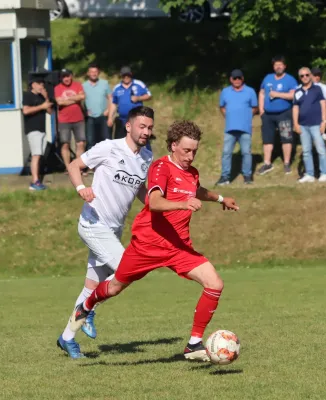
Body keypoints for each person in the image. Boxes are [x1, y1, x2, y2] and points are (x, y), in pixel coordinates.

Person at [69, 120, 239, 362]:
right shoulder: (161, 167)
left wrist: (221, 198)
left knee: (215, 284)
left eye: (194, 151)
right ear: (173, 146)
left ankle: (193, 344)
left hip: (178, 246)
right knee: (116, 286)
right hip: (148, 244)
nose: (190, 156)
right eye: (186, 151)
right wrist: (182, 204)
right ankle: (86, 305)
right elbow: (155, 202)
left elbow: (196, 190)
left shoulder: (191, 172)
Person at [57, 106, 154, 359]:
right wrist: (81, 188)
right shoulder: (109, 147)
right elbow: (73, 166)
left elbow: (140, 189)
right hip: (93, 223)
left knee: (92, 286)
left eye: (150, 127)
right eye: (142, 126)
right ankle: (89, 312)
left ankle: (67, 338)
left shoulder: (147, 156)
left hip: (113, 229)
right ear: (129, 126)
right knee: (126, 270)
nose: (146, 132)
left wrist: (157, 206)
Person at [216, 69, 258, 185]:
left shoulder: (250, 91)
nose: (237, 80)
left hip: (245, 128)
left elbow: (255, 107)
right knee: (226, 153)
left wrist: (247, 117)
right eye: (235, 78)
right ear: (231, 79)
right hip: (230, 128)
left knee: (246, 153)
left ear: (243, 79)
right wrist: (229, 116)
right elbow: (222, 107)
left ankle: (247, 176)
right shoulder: (225, 91)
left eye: (239, 78)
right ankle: (225, 177)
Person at [258, 56, 298, 175]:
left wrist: (278, 94)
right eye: (276, 65)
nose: (278, 67)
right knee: (267, 139)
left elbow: (293, 96)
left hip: (284, 113)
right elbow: (261, 93)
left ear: (284, 66)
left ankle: (286, 163)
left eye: (280, 64)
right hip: (268, 114)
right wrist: (261, 110)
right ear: (273, 66)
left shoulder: (290, 79)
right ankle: (267, 163)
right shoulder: (268, 78)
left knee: (286, 138)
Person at [293, 67, 326, 183]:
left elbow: (323, 104)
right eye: (302, 76)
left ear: (310, 75)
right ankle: (309, 174)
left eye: (307, 75)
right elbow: (295, 107)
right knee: (306, 151)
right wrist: (295, 124)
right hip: (303, 125)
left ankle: (324, 173)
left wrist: (324, 121)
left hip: (316, 124)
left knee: (320, 149)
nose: (305, 77)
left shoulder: (317, 89)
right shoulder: (297, 92)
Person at [22, 77, 53, 191]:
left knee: (39, 155)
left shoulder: (41, 97)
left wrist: (46, 98)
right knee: (36, 155)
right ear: (33, 84)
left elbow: (50, 112)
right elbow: (25, 111)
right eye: (39, 84)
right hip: (33, 129)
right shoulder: (27, 95)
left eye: (43, 84)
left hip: (42, 130)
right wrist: (41, 106)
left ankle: (37, 180)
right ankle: (35, 182)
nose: (42, 86)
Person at [54, 69, 86, 172]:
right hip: (64, 120)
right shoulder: (57, 88)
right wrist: (75, 99)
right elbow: (60, 102)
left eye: (68, 76)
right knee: (65, 144)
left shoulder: (77, 85)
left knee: (80, 143)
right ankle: (68, 167)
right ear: (61, 78)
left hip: (79, 119)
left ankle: (77, 166)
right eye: (64, 77)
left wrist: (66, 100)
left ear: (71, 76)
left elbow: (82, 96)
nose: (66, 79)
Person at [108, 66, 152, 140]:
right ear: (121, 76)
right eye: (124, 75)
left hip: (137, 119)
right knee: (120, 142)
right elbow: (113, 103)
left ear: (131, 74)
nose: (126, 77)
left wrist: (138, 98)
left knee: (137, 140)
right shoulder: (117, 88)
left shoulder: (138, 84)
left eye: (128, 75)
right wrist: (110, 117)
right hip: (122, 120)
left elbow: (149, 95)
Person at [311, 67, 326, 178]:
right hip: (308, 120)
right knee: (310, 146)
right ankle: (313, 169)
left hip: (320, 119)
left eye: (318, 75)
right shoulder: (302, 87)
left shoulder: (323, 87)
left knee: (323, 144)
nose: (316, 77)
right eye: (314, 75)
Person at [83, 63, 112, 150]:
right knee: (90, 141)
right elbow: (80, 100)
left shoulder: (104, 83)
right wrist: (84, 111)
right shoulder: (84, 86)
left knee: (106, 140)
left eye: (95, 72)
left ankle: (108, 161)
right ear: (88, 73)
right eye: (91, 72)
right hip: (90, 117)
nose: (94, 74)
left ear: (98, 72)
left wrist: (108, 110)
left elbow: (110, 98)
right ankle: (91, 162)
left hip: (103, 116)